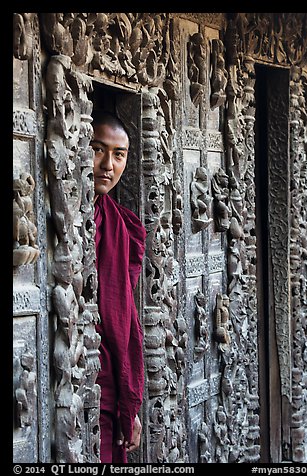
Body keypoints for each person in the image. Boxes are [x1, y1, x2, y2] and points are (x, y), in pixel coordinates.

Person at [90, 110, 146, 463]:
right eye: (97, 149)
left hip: (107, 381)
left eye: (119, 154)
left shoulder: (120, 225)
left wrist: (129, 404)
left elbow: (121, 315)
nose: (107, 164)